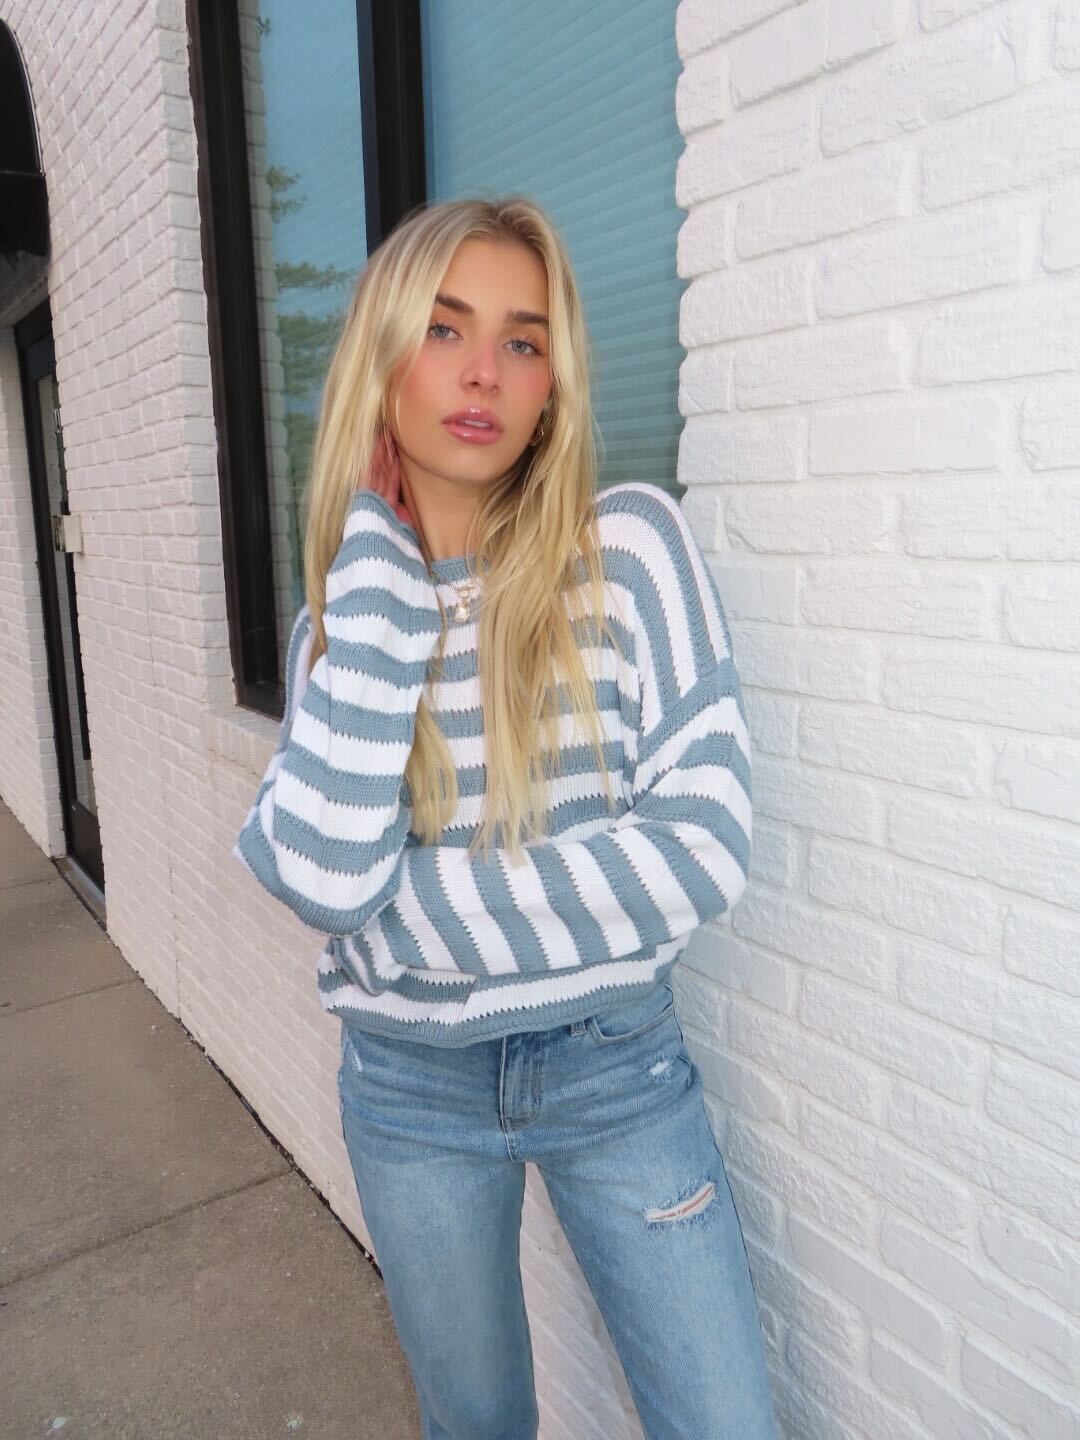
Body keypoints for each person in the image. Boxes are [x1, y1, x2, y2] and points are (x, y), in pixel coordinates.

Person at [232, 196, 778, 1440]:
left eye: (524, 340)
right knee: (474, 1424)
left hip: (617, 1071)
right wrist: (380, 576)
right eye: (444, 328)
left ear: (553, 383)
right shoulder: (339, 628)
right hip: (408, 1092)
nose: (484, 371)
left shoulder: (630, 552)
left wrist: (394, 915)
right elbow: (324, 875)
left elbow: (699, 848)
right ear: (382, 357)